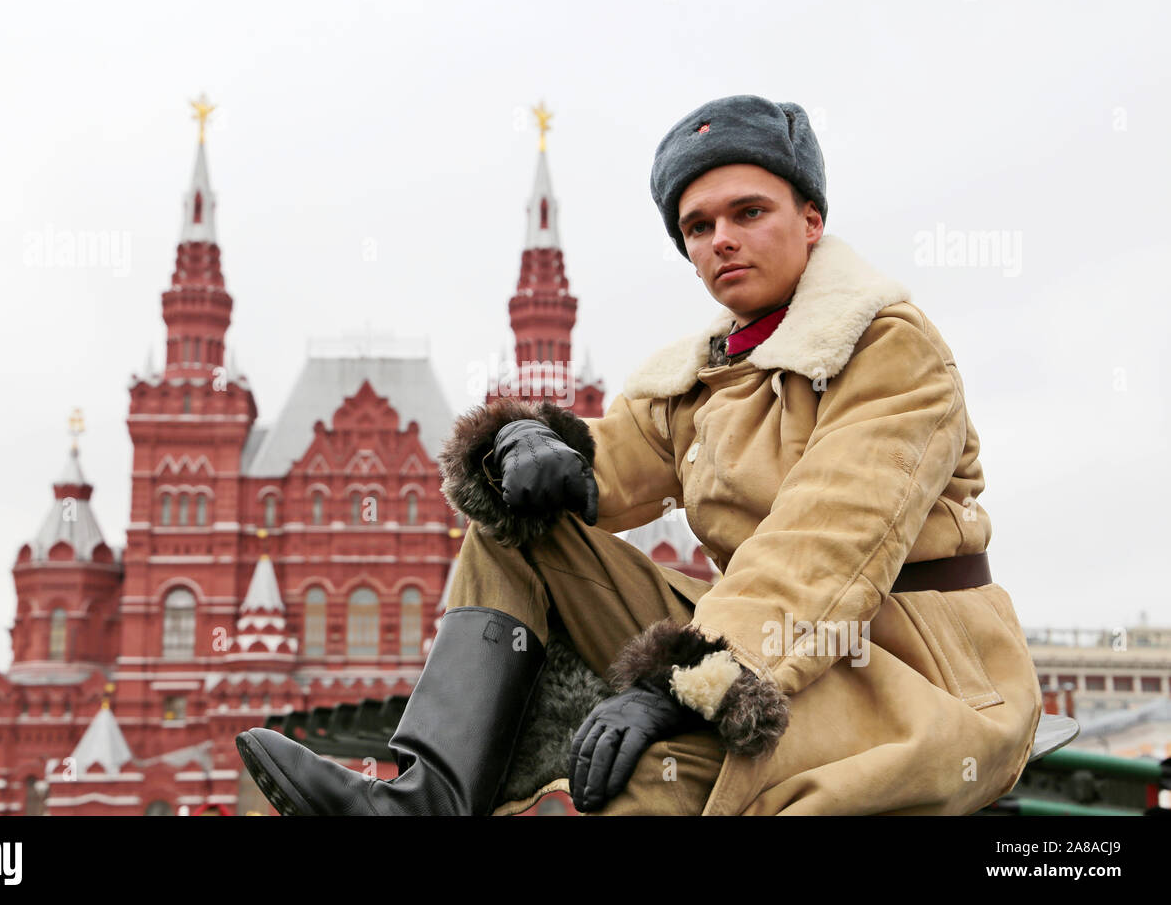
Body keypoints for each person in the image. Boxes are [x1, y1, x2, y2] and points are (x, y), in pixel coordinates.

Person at [237, 94, 1042, 816]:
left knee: (631, 779)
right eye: (699, 226)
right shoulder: (703, 374)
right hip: (754, 637)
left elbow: (826, 543)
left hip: (902, 667)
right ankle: (426, 796)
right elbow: (604, 466)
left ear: (811, 219)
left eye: (748, 211)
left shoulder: (885, 345)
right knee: (517, 526)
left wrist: (674, 687)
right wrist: (527, 445)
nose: (722, 240)